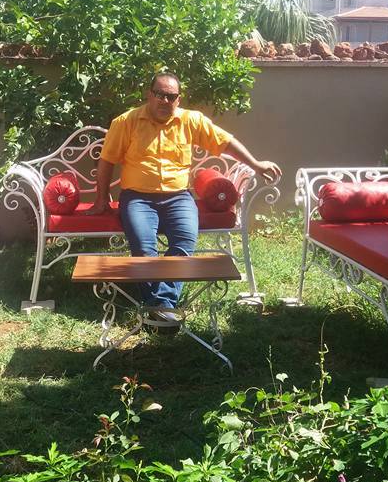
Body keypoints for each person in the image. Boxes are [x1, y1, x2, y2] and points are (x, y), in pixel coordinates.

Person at [84, 72, 281, 323]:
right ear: (149, 94)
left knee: (184, 242)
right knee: (144, 248)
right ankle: (164, 307)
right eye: (159, 94)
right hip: (137, 198)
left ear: (178, 99)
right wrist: (101, 198)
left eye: (171, 96)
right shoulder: (126, 121)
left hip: (178, 198)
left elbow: (226, 142)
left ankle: (159, 305)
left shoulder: (191, 120)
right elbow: (107, 161)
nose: (165, 101)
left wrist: (256, 164)